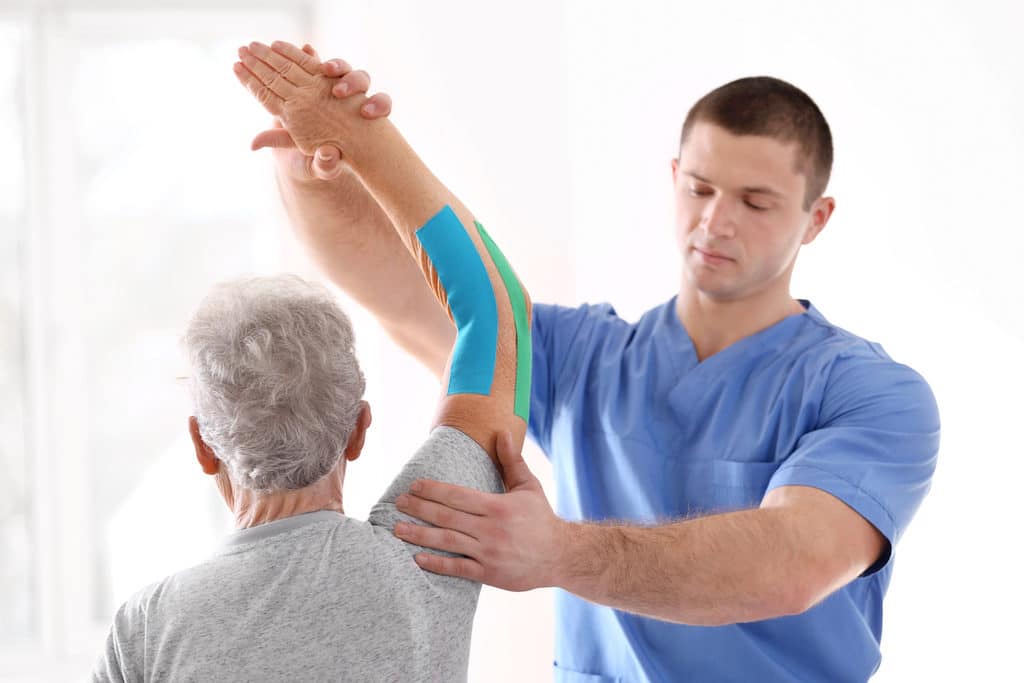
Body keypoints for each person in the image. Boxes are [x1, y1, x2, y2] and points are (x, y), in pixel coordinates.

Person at [270, 51, 941, 682]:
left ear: (816, 218)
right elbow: (406, 290)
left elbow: (793, 560)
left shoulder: (872, 395)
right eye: (701, 188)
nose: (716, 221)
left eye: (755, 202)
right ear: (674, 178)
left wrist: (557, 551)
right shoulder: (581, 358)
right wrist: (318, 170)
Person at [91, 40, 532, 682]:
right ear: (358, 429)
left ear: (202, 445)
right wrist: (362, 140)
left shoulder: (148, 628)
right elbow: (498, 314)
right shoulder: (428, 553)